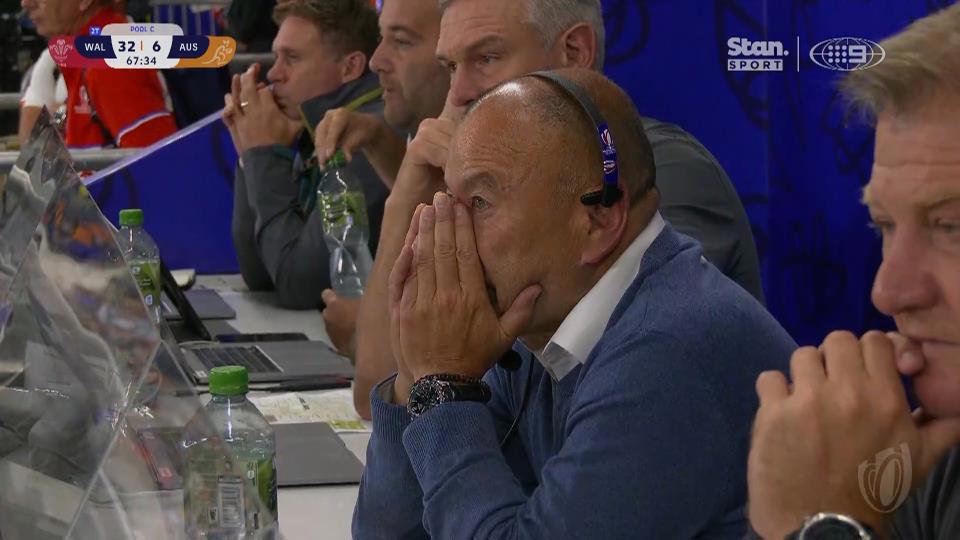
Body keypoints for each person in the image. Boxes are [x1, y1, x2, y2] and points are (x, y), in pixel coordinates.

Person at [353, 67, 795, 539]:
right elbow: (387, 534)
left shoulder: (670, 350)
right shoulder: (536, 320)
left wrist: (443, 387)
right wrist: (415, 375)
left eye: (479, 202)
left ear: (599, 219)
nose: (449, 233)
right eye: (447, 200)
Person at [350, 0, 763, 418]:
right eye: (451, 67)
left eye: (486, 58)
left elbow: (652, 371)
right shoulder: (478, 178)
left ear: (575, 52)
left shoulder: (660, 171)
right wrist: (406, 198)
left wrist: (439, 389)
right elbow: (383, 389)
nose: (457, 94)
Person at [747, 4, 960, 539]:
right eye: (883, 224)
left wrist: (821, 523)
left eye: (953, 227)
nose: (888, 292)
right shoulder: (930, 461)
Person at [225, 0, 388, 309]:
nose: (273, 74)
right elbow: (259, 273)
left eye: (292, 59)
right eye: (276, 57)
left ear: (350, 67)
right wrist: (250, 154)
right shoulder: (313, 123)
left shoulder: (366, 139)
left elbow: (298, 284)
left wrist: (262, 154)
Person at [313, 0, 450, 355]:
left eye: (401, 42)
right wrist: (377, 141)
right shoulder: (406, 132)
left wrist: (369, 336)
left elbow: (296, 276)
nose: (376, 62)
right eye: (380, 38)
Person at [19, 0, 177, 148]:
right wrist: (60, 115)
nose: (25, 3)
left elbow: (160, 164)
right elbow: (60, 119)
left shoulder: (111, 63)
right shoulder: (84, 52)